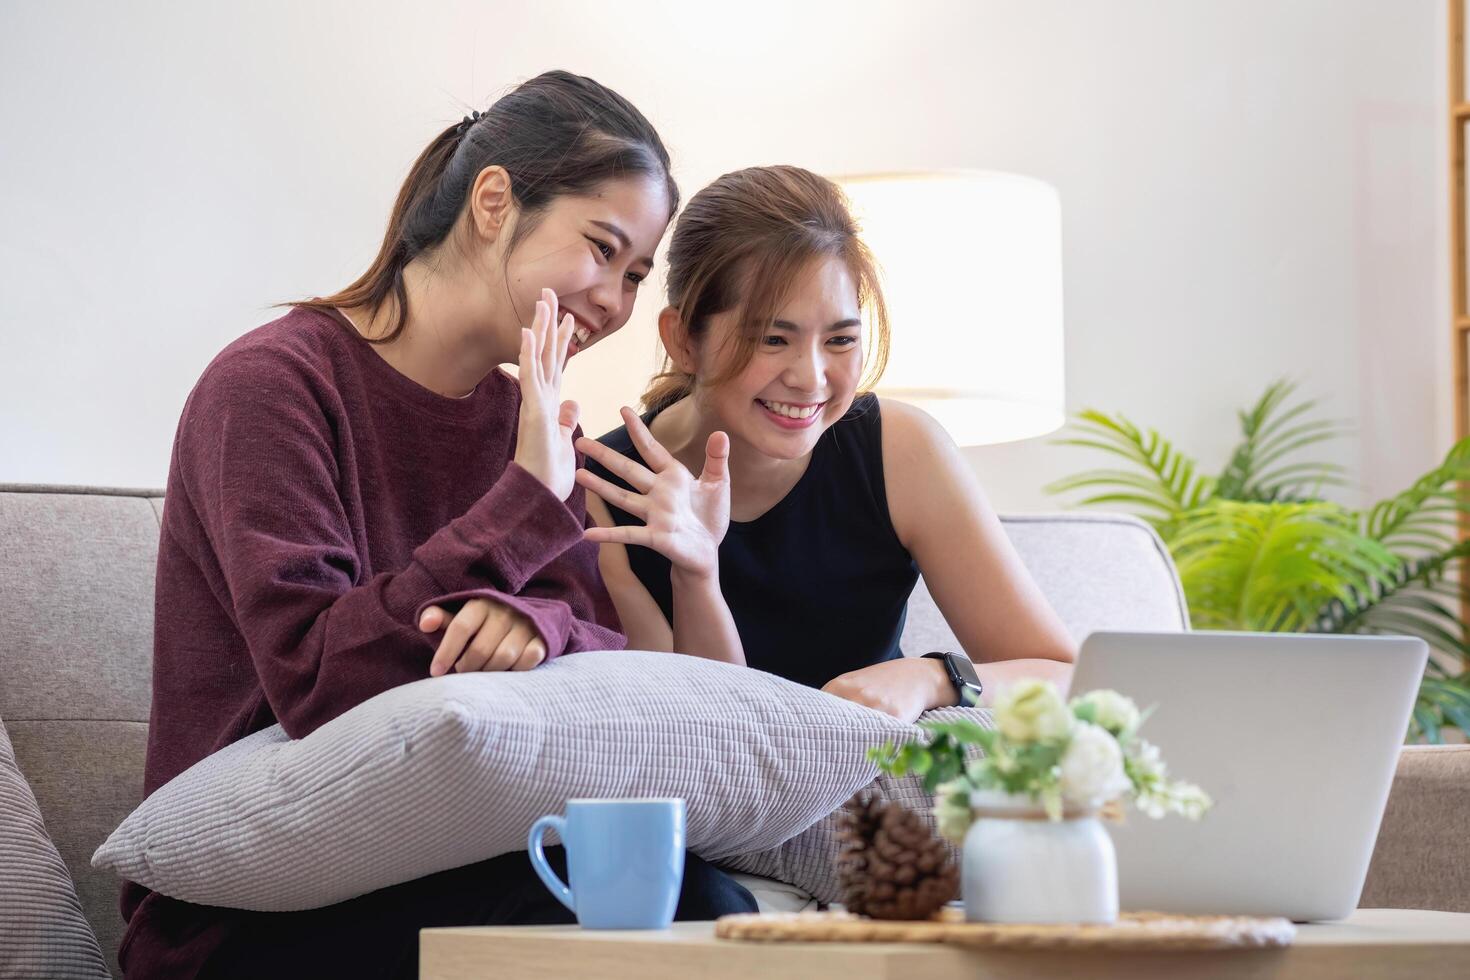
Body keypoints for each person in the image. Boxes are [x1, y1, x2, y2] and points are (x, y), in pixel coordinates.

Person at [121, 71, 754, 980]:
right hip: (250, 916)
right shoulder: (272, 386)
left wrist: (531, 624)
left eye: (635, 275)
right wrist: (529, 495)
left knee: (698, 905)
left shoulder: (521, 420)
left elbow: (598, 643)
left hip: (452, 863)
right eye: (603, 250)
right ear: (494, 201)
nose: (614, 302)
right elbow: (316, 676)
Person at [579, 165, 1076, 723]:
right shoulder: (602, 488)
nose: (810, 377)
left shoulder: (900, 450)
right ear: (682, 340)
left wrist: (930, 676)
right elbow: (700, 728)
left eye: (840, 339)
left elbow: (1063, 674)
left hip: (882, 797)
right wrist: (696, 571)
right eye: (773, 338)